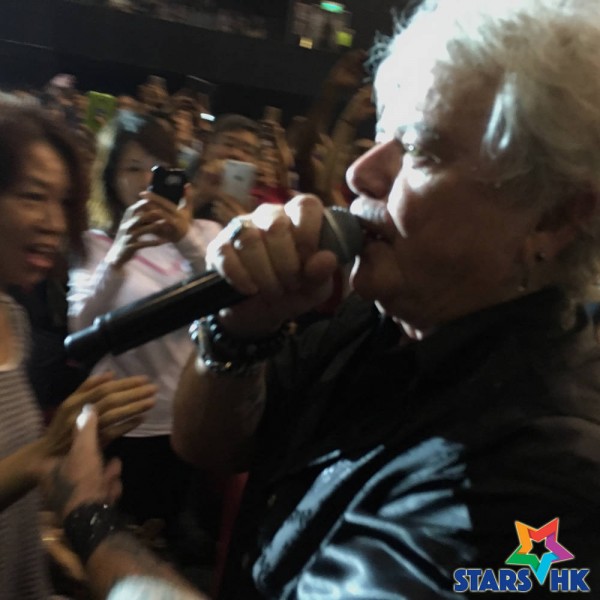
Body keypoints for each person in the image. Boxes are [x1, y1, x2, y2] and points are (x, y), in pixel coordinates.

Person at [43, 0, 600, 598]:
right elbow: (210, 445)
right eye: (380, 135)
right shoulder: (379, 317)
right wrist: (239, 332)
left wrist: (91, 520)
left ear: (553, 217)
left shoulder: (541, 480)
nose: (360, 173)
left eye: (420, 149)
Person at [0, 104, 156, 599]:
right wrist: (46, 453)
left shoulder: (12, 317)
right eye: (33, 196)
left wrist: (62, 501)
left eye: (64, 201)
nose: (54, 222)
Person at [67, 112, 220, 566]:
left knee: (165, 543)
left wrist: (184, 237)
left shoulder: (205, 235)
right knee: (106, 541)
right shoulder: (94, 244)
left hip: (184, 416)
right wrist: (119, 255)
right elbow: (80, 327)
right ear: (111, 176)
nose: (144, 180)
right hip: (118, 415)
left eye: (156, 168)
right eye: (132, 167)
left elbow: (227, 294)